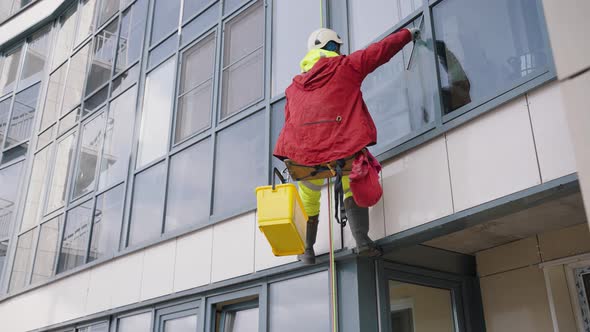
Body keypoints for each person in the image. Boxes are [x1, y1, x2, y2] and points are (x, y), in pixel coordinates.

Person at [273, 27, 420, 264]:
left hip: (305, 157)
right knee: (351, 183)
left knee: (309, 196)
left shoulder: (294, 88)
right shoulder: (347, 66)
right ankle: (362, 240)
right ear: (333, 47)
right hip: (341, 150)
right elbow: (380, 51)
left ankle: (307, 250)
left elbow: (291, 120)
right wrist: (408, 34)